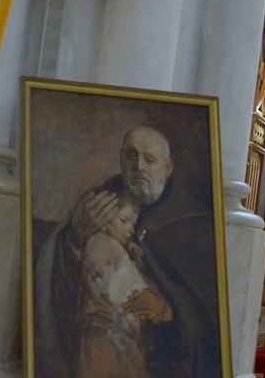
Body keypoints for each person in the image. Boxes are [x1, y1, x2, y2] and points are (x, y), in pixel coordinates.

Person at [36, 126, 221, 377]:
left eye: (150, 159)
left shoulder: (191, 223)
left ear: (167, 168)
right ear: (121, 158)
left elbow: (204, 320)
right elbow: (58, 282)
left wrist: (166, 312)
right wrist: (75, 238)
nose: (139, 167)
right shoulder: (98, 203)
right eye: (131, 156)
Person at [78, 193, 169, 378]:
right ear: (104, 222)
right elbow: (124, 290)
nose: (130, 229)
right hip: (109, 335)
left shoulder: (111, 246)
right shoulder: (105, 245)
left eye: (133, 224)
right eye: (123, 220)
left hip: (115, 334)